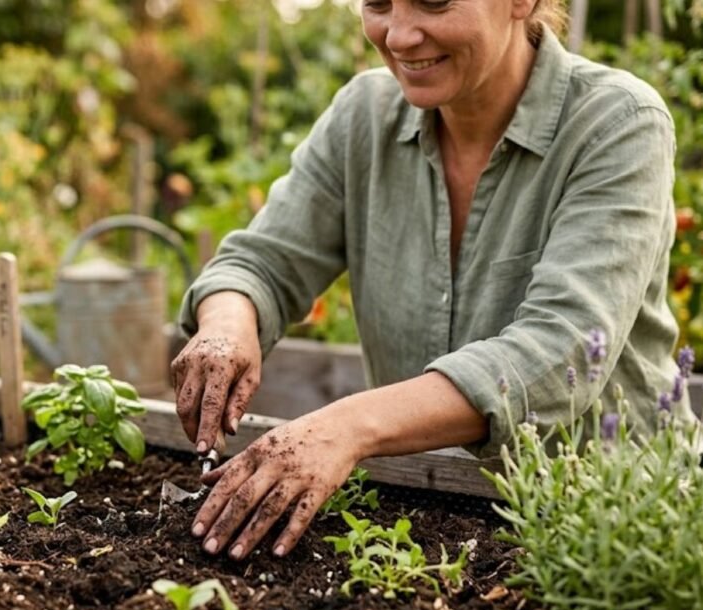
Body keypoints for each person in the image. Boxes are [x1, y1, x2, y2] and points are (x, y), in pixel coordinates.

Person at [170, 0, 688, 562]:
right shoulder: (364, 116)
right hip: (423, 520)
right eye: (378, 3)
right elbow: (262, 262)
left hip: (612, 533)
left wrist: (348, 426)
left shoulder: (617, 122)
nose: (398, 35)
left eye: (434, 1)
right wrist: (227, 324)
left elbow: (560, 352)